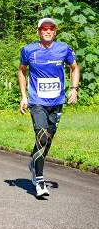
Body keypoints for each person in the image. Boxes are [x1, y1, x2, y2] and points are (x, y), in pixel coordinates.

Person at [18, 18, 80, 197]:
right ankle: (39, 181)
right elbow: (22, 71)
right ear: (38, 31)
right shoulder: (28, 50)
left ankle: (34, 163)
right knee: (41, 137)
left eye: (51, 28)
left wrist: (74, 89)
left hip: (56, 102)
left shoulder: (63, 49)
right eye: (44, 28)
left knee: (48, 140)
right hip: (37, 102)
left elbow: (74, 68)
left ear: (55, 31)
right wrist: (24, 96)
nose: (47, 31)